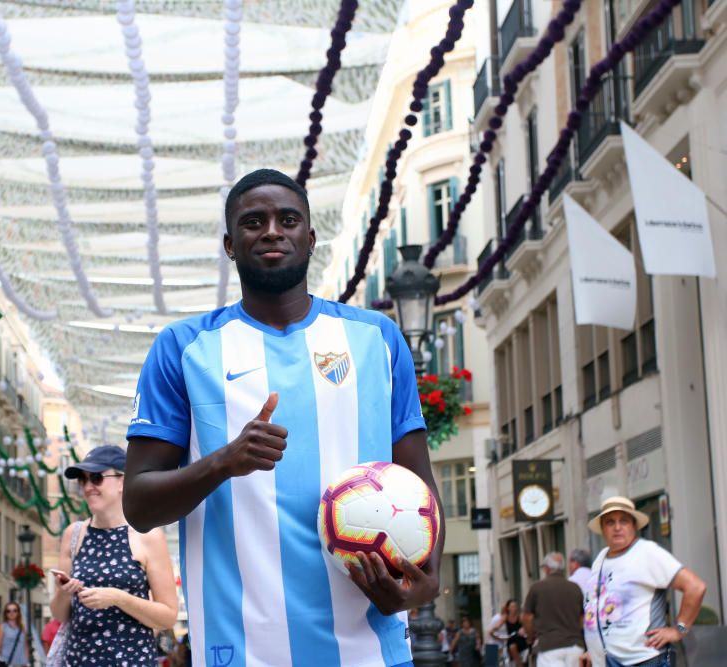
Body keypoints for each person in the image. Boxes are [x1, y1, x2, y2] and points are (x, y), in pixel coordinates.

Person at [122, 168, 443, 667]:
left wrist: (427, 582)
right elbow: (139, 505)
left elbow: (419, 484)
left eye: (287, 219)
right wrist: (222, 461)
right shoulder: (183, 348)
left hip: (369, 650)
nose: (272, 230)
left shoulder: (376, 339)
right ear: (230, 245)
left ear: (310, 238)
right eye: (254, 222)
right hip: (242, 650)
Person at [50, 445, 178, 666]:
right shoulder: (74, 534)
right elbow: (60, 615)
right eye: (83, 480)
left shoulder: (147, 536)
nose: (88, 487)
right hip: (78, 660)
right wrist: (63, 593)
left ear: (122, 481)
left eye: (96, 478)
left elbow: (168, 615)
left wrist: (117, 598)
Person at [580, 496, 707, 667]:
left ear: (634, 526)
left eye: (623, 521)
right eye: (610, 522)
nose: (617, 527)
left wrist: (679, 630)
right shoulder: (601, 558)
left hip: (643, 660)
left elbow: (695, 587)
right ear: (603, 529)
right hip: (607, 661)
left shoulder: (647, 552)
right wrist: (594, 651)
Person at [522, 552, 584, 667]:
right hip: (575, 646)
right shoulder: (575, 588)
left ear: (547, 568)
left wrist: (530, 637)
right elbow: (581, 618)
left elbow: (527, 617)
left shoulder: (537, 588)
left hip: (549, 646)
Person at [489, 599, 527, 666]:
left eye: (515, 606)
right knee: (510, 648)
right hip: (510, 639)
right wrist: (493, 630)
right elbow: (497, 626)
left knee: (513, 647)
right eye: (512, 607)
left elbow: (526, 626)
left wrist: (523, 629)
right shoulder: (505, 617)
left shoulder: (519, 617)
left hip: (519, 639)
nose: (514, 608)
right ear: (508, 608)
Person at [0, 602, 29, 666]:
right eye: (8, 611)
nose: (12, 613)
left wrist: (26, 662)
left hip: (21, 663)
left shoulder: (22, 628)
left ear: (18, 612)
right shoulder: (2, 627)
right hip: (6, 663)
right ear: (5, 613)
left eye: (15, 610)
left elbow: (25, 646)